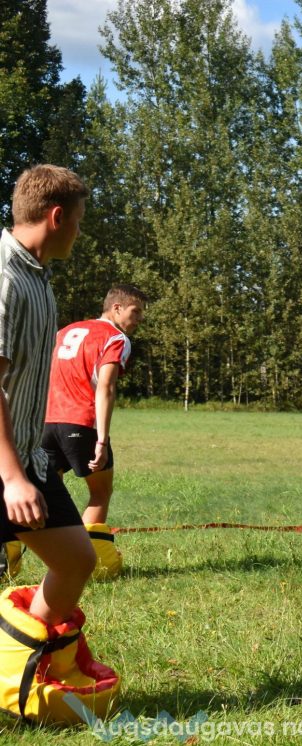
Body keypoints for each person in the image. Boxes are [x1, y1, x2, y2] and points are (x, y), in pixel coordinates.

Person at [0, 165, 118, 723]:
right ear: (56, 216)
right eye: (79, 220)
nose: (80, 231)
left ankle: (17, 667)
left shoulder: (38, 276)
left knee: (76, 560)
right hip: (7, 466)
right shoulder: (5, 276)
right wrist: (11, 478)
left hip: (28, 456)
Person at [42, 284, 148, 580]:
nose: (139, 319)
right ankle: (93, 567)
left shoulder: (65, 331)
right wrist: (101, 440)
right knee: (100, 492)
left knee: (45, 496)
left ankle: (11, 555)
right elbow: (106, 387)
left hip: (45, 423)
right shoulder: (116, 337)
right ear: (116, 308)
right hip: (81, 422)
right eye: (135, 311)